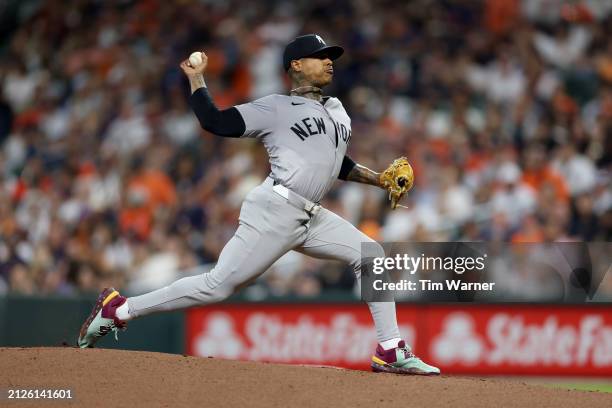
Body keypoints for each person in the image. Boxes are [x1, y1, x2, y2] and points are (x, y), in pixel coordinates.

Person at [77, 34, 439, 375]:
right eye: (321, 57)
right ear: (296, 65)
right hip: (275, 209)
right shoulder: (275, 107)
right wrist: (196, 79)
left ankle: (390, 349)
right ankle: (121, 308)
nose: (330, 62)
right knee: (215, 286)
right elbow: (215, 121)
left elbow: (335, 162)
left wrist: (378, 179)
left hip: (312, 217)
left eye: (332, 57)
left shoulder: (337, 111)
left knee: (371, 254)